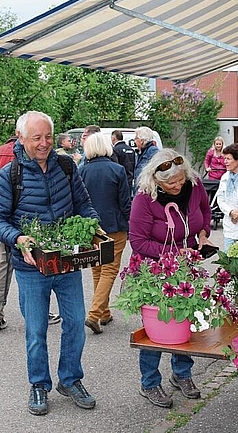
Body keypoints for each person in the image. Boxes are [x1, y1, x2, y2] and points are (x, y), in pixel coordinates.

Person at [0, 111, 99, 416]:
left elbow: (84, 204)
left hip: (66, 261)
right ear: (21, 138)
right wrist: (18, 238)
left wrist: (93, 224)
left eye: (48, 136)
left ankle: (70, 379)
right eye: (37, 138)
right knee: (36, 331)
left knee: (75, 323)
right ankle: (38, 384)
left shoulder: (66, 166)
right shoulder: (11, 174)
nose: (45, 143)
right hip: (31, 267)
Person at [129, 148, 215, 408]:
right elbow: (138, 242)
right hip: (156, 270)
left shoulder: (195, 185)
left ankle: (182, 374)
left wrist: (203, 234)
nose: (177, 186)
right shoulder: (145, 199)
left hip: (187, 265)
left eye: (180, 180)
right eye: (170, 183)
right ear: (156, 180)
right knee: (156, 329)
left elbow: (205, 211)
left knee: (184, 320)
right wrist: (175, 252)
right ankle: (150, 382)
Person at [0, 133, 61, 333]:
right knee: (30, 267)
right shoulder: (23, 156)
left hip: (3, 219)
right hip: (21, 223)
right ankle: (37, 312)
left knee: (6, 266)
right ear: (21, 138)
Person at [80, 132, 131, 334]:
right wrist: (132, 226)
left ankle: (104, 312)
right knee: (109, 271)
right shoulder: (117, 170)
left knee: (97, 270)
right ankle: (94, 314)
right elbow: (125, 203)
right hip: (115, 226)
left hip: (92, 228)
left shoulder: (81, 171)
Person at [133, 126, 159, 191]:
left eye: (136, 138)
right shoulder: (140, 153)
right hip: (140, 189)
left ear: (142, 141)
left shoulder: (153, 151)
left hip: (147, 190)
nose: (134, 141)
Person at [111, 130, 136, 197]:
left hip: (120, 182)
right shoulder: (130, 149)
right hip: (130, 180)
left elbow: (115, 166)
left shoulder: (115, 150)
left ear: (113, 138)